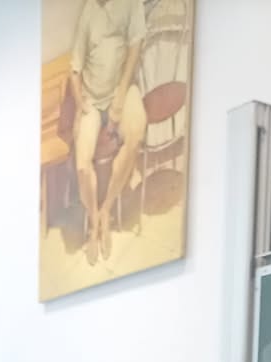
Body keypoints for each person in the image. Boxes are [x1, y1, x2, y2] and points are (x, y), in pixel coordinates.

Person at [70, 0, 148, 266]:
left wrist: (120, 98)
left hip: (122, 89)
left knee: (136, 132)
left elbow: (135, 48)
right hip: (92, 100)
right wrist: (80, 105)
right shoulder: (89, 11)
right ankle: (94, 221)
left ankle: (106, 210)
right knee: (82, 165)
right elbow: (75, 69)